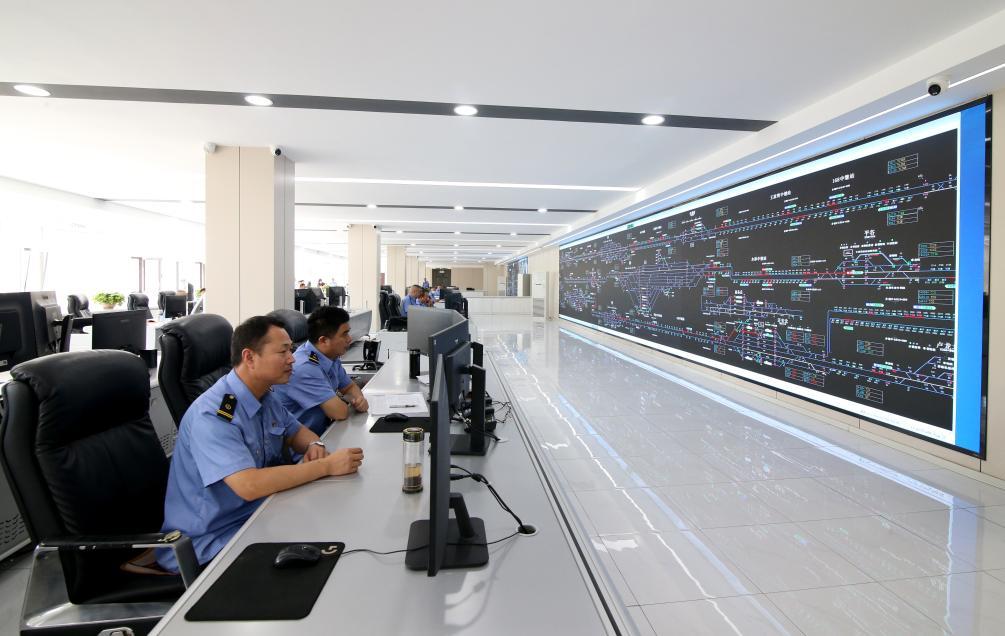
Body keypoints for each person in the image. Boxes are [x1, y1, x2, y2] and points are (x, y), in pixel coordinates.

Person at [156, 315, 364, 572]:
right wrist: (326, 466)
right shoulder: (214, 415)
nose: (292, 358)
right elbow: (249, 485)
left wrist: (315, 446)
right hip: (213, 541)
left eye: (291, 350)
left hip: (261, 513)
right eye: (283, 351)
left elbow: (296, 432)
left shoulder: (264, 396)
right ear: (250, 357)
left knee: (341, 525)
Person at [275, 306, 368, 435]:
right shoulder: (304, 367)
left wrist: (359, 399)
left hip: (322, 433)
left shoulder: (330, 356)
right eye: (344, 334)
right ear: (323, 340)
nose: (349, 339)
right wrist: (350, 402)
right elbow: (339, 412)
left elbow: (349, 387)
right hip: (300, 443)